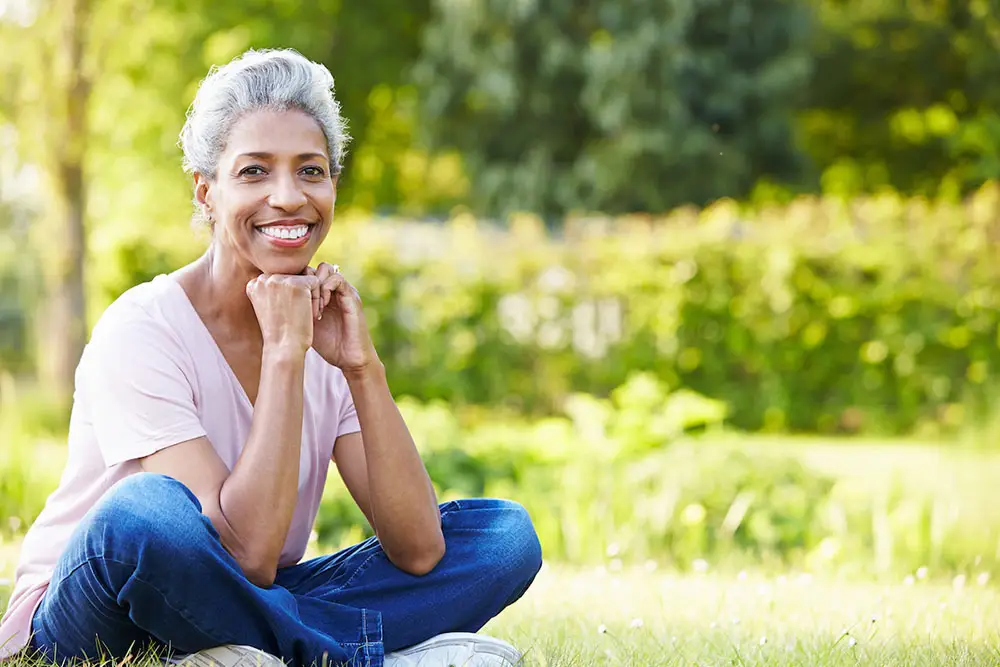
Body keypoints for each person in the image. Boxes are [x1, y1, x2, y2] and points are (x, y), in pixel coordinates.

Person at [0, 48, 542, 667]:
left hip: (241, 600)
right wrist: (286, 356)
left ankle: (236, 652)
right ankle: (356, 657)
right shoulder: (143, 328)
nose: (288, 197)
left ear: (332, 185)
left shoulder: (325, 327)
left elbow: (419, 550)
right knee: (143, 514)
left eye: (310, 171)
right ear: (206, 192)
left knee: (502, 538)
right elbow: (245, 552)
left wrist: (361, 369)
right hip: (94, 610)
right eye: (255, 171)